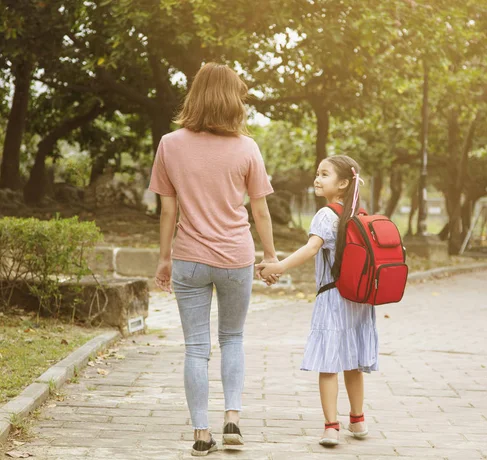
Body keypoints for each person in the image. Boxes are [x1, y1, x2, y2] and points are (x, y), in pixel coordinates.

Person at [149, 62, 279, 457]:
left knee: (195, 347)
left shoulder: (170, 144)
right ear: (232, 99)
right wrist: (271, 255)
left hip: (189, 257)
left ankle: (202, 435)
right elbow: (260, 212)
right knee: (233, 338)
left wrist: (164, 258)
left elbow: (168, 212)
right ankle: (233, 421)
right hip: (236, 257)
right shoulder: (246, 147)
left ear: (196, 95)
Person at [257, 155, 378, 447]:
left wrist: (279, 267)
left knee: (329, 363)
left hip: (333, 297)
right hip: (359, 300)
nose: (317, 179)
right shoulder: (358, 214)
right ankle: (358, 420)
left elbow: (312, 248)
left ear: (343, 183)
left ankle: (331, 427)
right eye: (317, 173)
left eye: (324, 174)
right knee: (353, 362)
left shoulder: (326, 215)